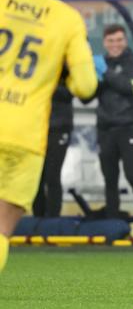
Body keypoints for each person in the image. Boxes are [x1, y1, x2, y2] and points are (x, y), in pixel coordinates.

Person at [0, 0, 97, 272]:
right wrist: (65, 77)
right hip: (25, 135)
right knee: (1, 229)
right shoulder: (66, 20)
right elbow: (86, 86)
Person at [92, 24, 133, 237]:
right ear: (104, 42)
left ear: (125, 41)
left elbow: (131, 87)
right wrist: (93, 79)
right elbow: (87, 96)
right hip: (105, 128)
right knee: (109, 179)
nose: (115, 45)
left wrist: (105, 73)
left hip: (129, 128)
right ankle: (112, 224)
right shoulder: (100, 64)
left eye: (119, 40)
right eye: (110, 41)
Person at [32, 79, 73, 218]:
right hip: (37, 127)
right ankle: (38, 218)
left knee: (52, 175)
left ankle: (53, 219)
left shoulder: (67, 66)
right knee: (37, 176)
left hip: (59, 128)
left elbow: (71, 93)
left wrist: (49, 83)